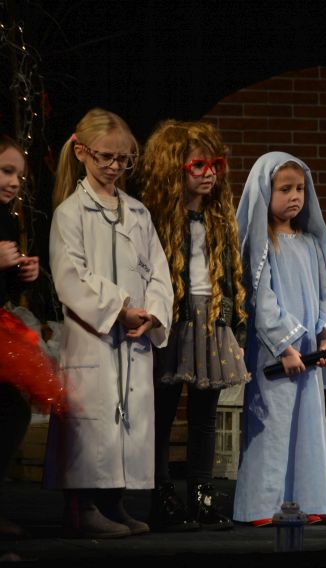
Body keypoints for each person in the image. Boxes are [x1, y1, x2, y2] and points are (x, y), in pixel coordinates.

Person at [46, 108, 173, 538]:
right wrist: (119, 307)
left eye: (124, 159)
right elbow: (71, 278)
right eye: (107, 157)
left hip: (133, 337)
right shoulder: (70, 213)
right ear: (81, 152)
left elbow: (159, 273)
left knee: (128, 418)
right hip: (93, 337)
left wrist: (153, 312)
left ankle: (113, 503)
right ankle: (81, 508)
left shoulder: (138, 213)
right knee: (92, 422)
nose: (116, 166)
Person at [139, 121, 250, 531]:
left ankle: (201, 496)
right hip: (175, 321)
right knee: (164, 411)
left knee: (206, 416)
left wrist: (234, 327)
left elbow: (232, 278)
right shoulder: (160, 219)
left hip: (212, 320)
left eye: (214, 165)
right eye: (198, 166)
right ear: (176, 170)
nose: (209, 174)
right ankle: (162, 496)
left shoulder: (218, 218)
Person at [233, 152, 326, 526]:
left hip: (308, 352)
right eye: (285, 189)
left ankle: (310, 500)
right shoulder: (262, 243)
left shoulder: (310, 243)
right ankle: (262, 505)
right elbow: (261, 298)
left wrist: (325, 338)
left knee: (309, 426)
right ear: (266, 192)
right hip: (275, 355)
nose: (295, 196)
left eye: (300, 189)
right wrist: (284, 345)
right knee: (273, 427)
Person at [0, 135, 62, 539]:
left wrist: (23, 274)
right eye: (6, 171)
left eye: (18, 176)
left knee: (12, 413)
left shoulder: (6, 218)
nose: (14, 182)